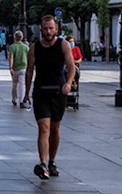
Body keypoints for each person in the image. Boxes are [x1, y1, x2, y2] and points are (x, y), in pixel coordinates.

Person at [24, 12, 77, 180]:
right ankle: (43, 164)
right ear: (41, 30)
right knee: (44, 128)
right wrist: (26, 92)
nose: (48, 32)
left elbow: (71, 66)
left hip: (58, 92)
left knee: (55, 129)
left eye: (51, 28)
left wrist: (68, 83)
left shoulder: (63, 45)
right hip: (41, 92)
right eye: (45, 29)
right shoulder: (34, 48)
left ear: (56, 29)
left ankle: (52, 161)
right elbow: (29, 70)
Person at [8, 26, 30, 108]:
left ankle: (14, 99)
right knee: (22, 84)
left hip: (15, 68)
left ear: (14, 37)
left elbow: (11, 58)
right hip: (24, 67)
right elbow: (29, 57)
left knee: (14, 84)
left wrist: (10, 67)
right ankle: (21, 101)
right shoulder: (26, 47)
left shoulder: (12, 47)